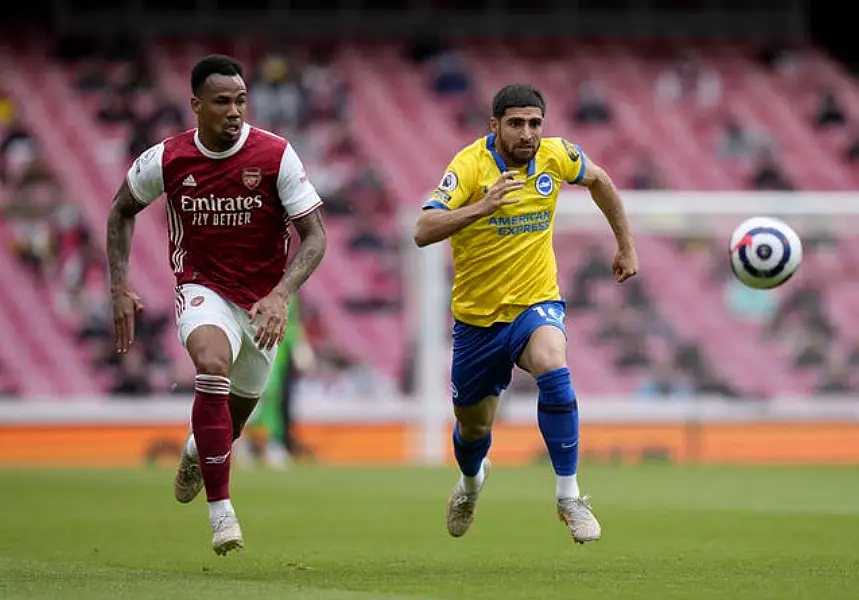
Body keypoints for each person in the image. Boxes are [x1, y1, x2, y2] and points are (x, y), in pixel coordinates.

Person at [106, 55, 327, 555]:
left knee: (232, 421)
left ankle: (194, 448)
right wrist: (119, 286)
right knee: (211, 364)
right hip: (201, 287)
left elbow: (315, 236)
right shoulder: (166, 159)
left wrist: (281, 294)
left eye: (241, 101)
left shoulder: (276, 156)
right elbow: (121, 209)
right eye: (223, 101)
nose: (234, 111)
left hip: (262, 306)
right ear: (196, 105)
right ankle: (221, 514)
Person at [413, 84, 637, 544]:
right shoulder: (469, 166)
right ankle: (472, 482)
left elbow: (600, 180)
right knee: (473, 430)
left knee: (554, 363)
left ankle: (569, 497)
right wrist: (484, 205)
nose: (528, 133)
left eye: (535, 123)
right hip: (477, 322)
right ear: (494, 126)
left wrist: (625, 245)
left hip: (535, 304)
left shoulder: (558, 157)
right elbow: (423, 229)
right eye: (516, 123)